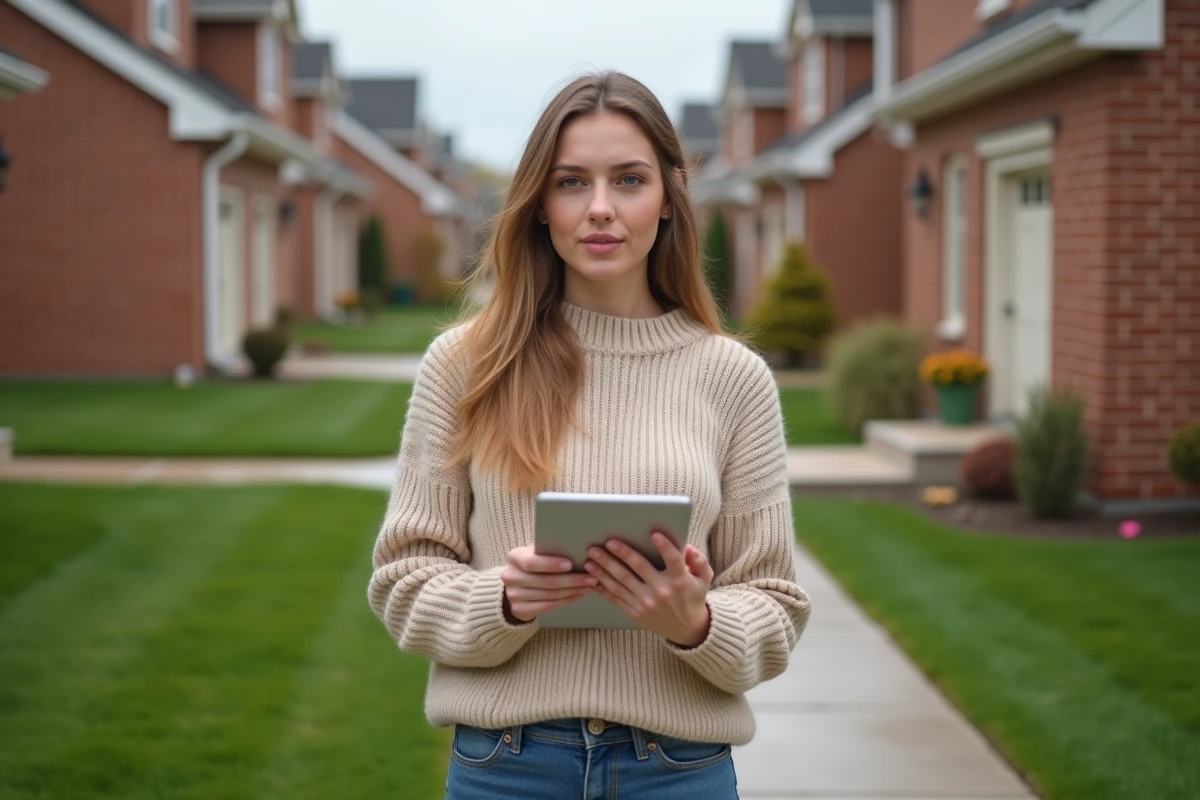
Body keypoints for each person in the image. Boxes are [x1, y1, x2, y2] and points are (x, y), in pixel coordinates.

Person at [367, 70, 811, 800]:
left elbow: (775, 605)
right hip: (507, 768)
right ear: (539, 204)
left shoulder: (733, 378)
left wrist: (696, 621)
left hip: (679, 771)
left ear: (668, 200)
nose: (600, 209)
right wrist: (504, 600)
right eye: (572, 182)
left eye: (629, 180)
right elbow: (402, 584)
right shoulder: (466, 365)